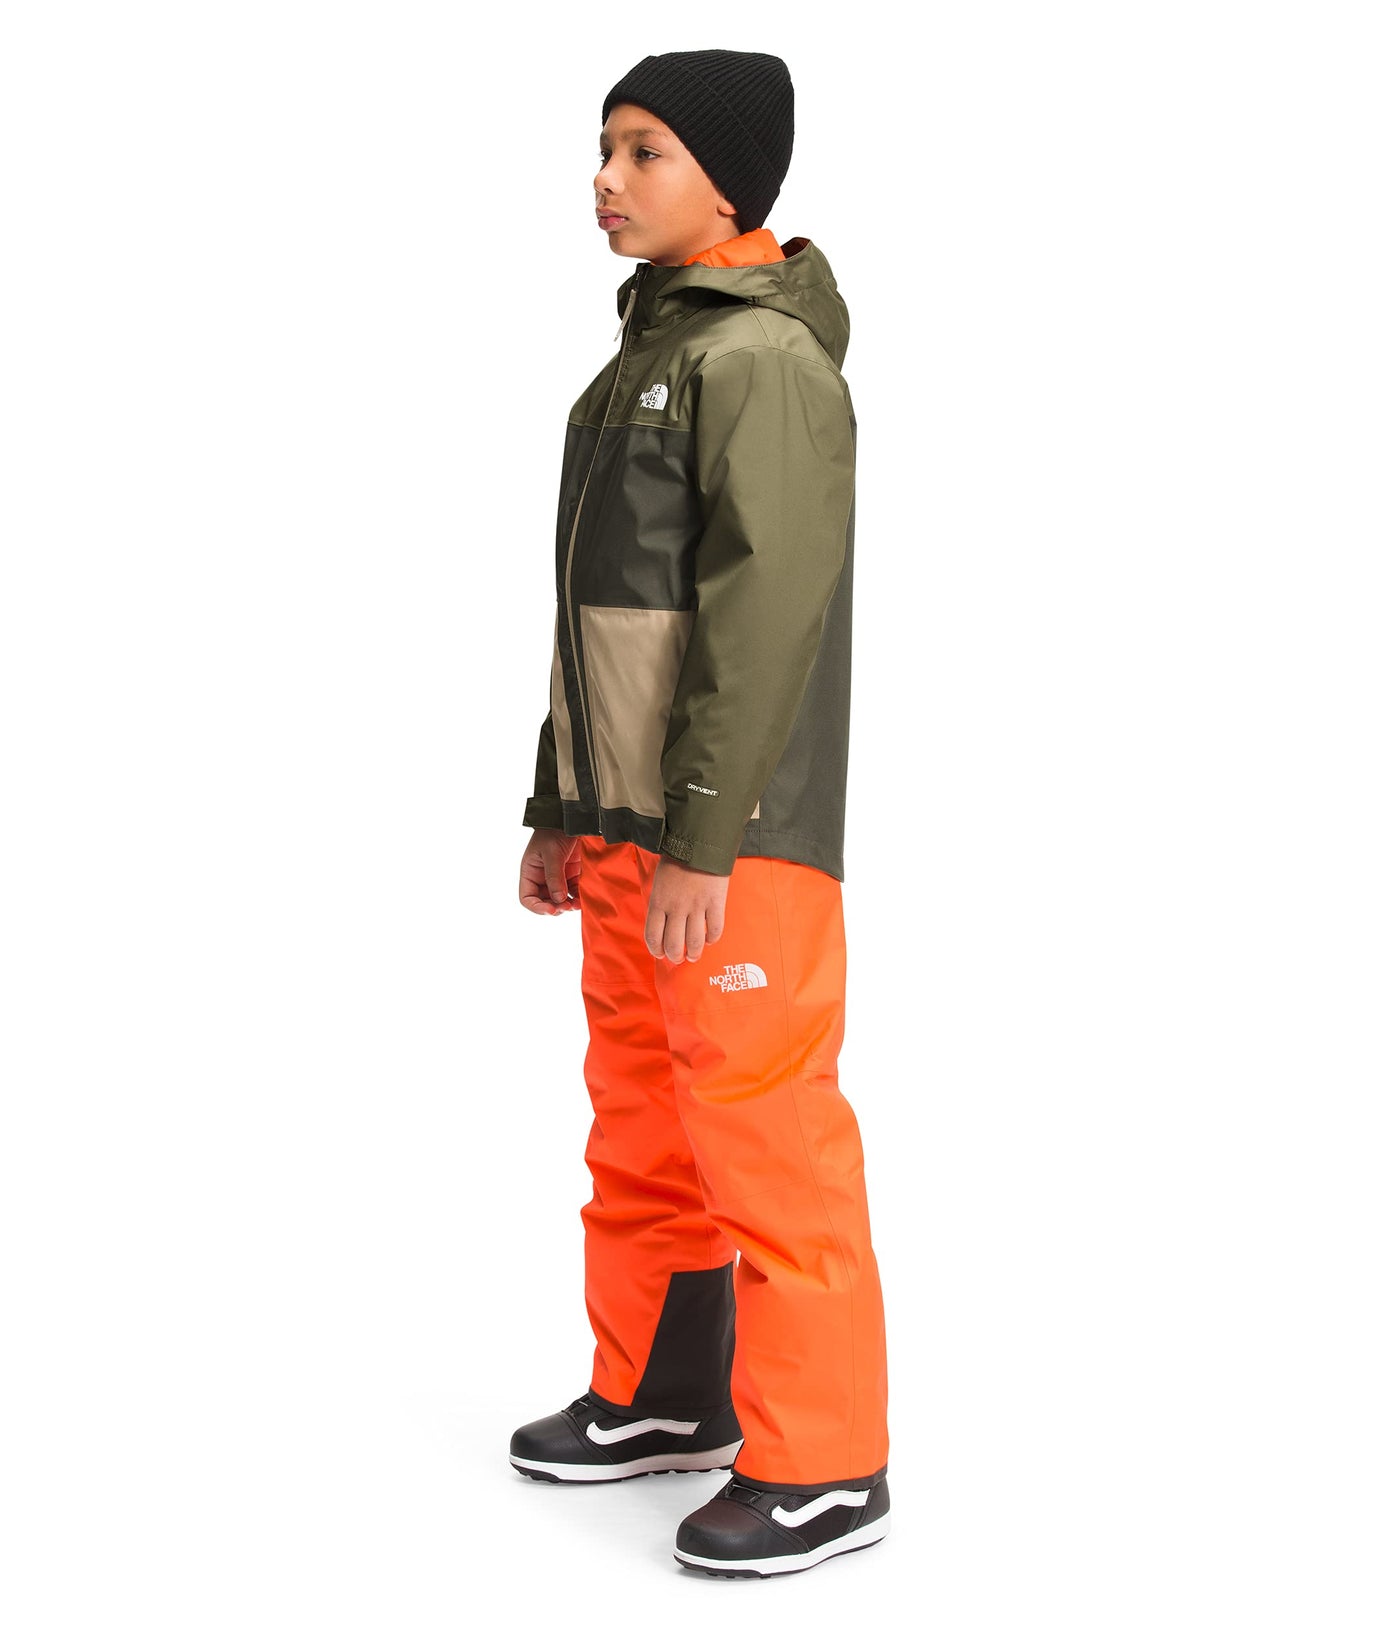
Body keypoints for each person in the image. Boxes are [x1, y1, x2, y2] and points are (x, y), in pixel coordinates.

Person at [511, 48, 890, 1578]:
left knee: (766, 1134)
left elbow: (761, 622)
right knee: (644, 1121)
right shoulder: (640, 361)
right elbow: (600, 618)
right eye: (604, 146)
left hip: (734, 846)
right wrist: (561, 801)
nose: (606, 178)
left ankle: (827, 1465)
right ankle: (666, 1391)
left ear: (727, 182)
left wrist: (705, 834)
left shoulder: (765, 366)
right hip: (627, 830)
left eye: (644, 150)